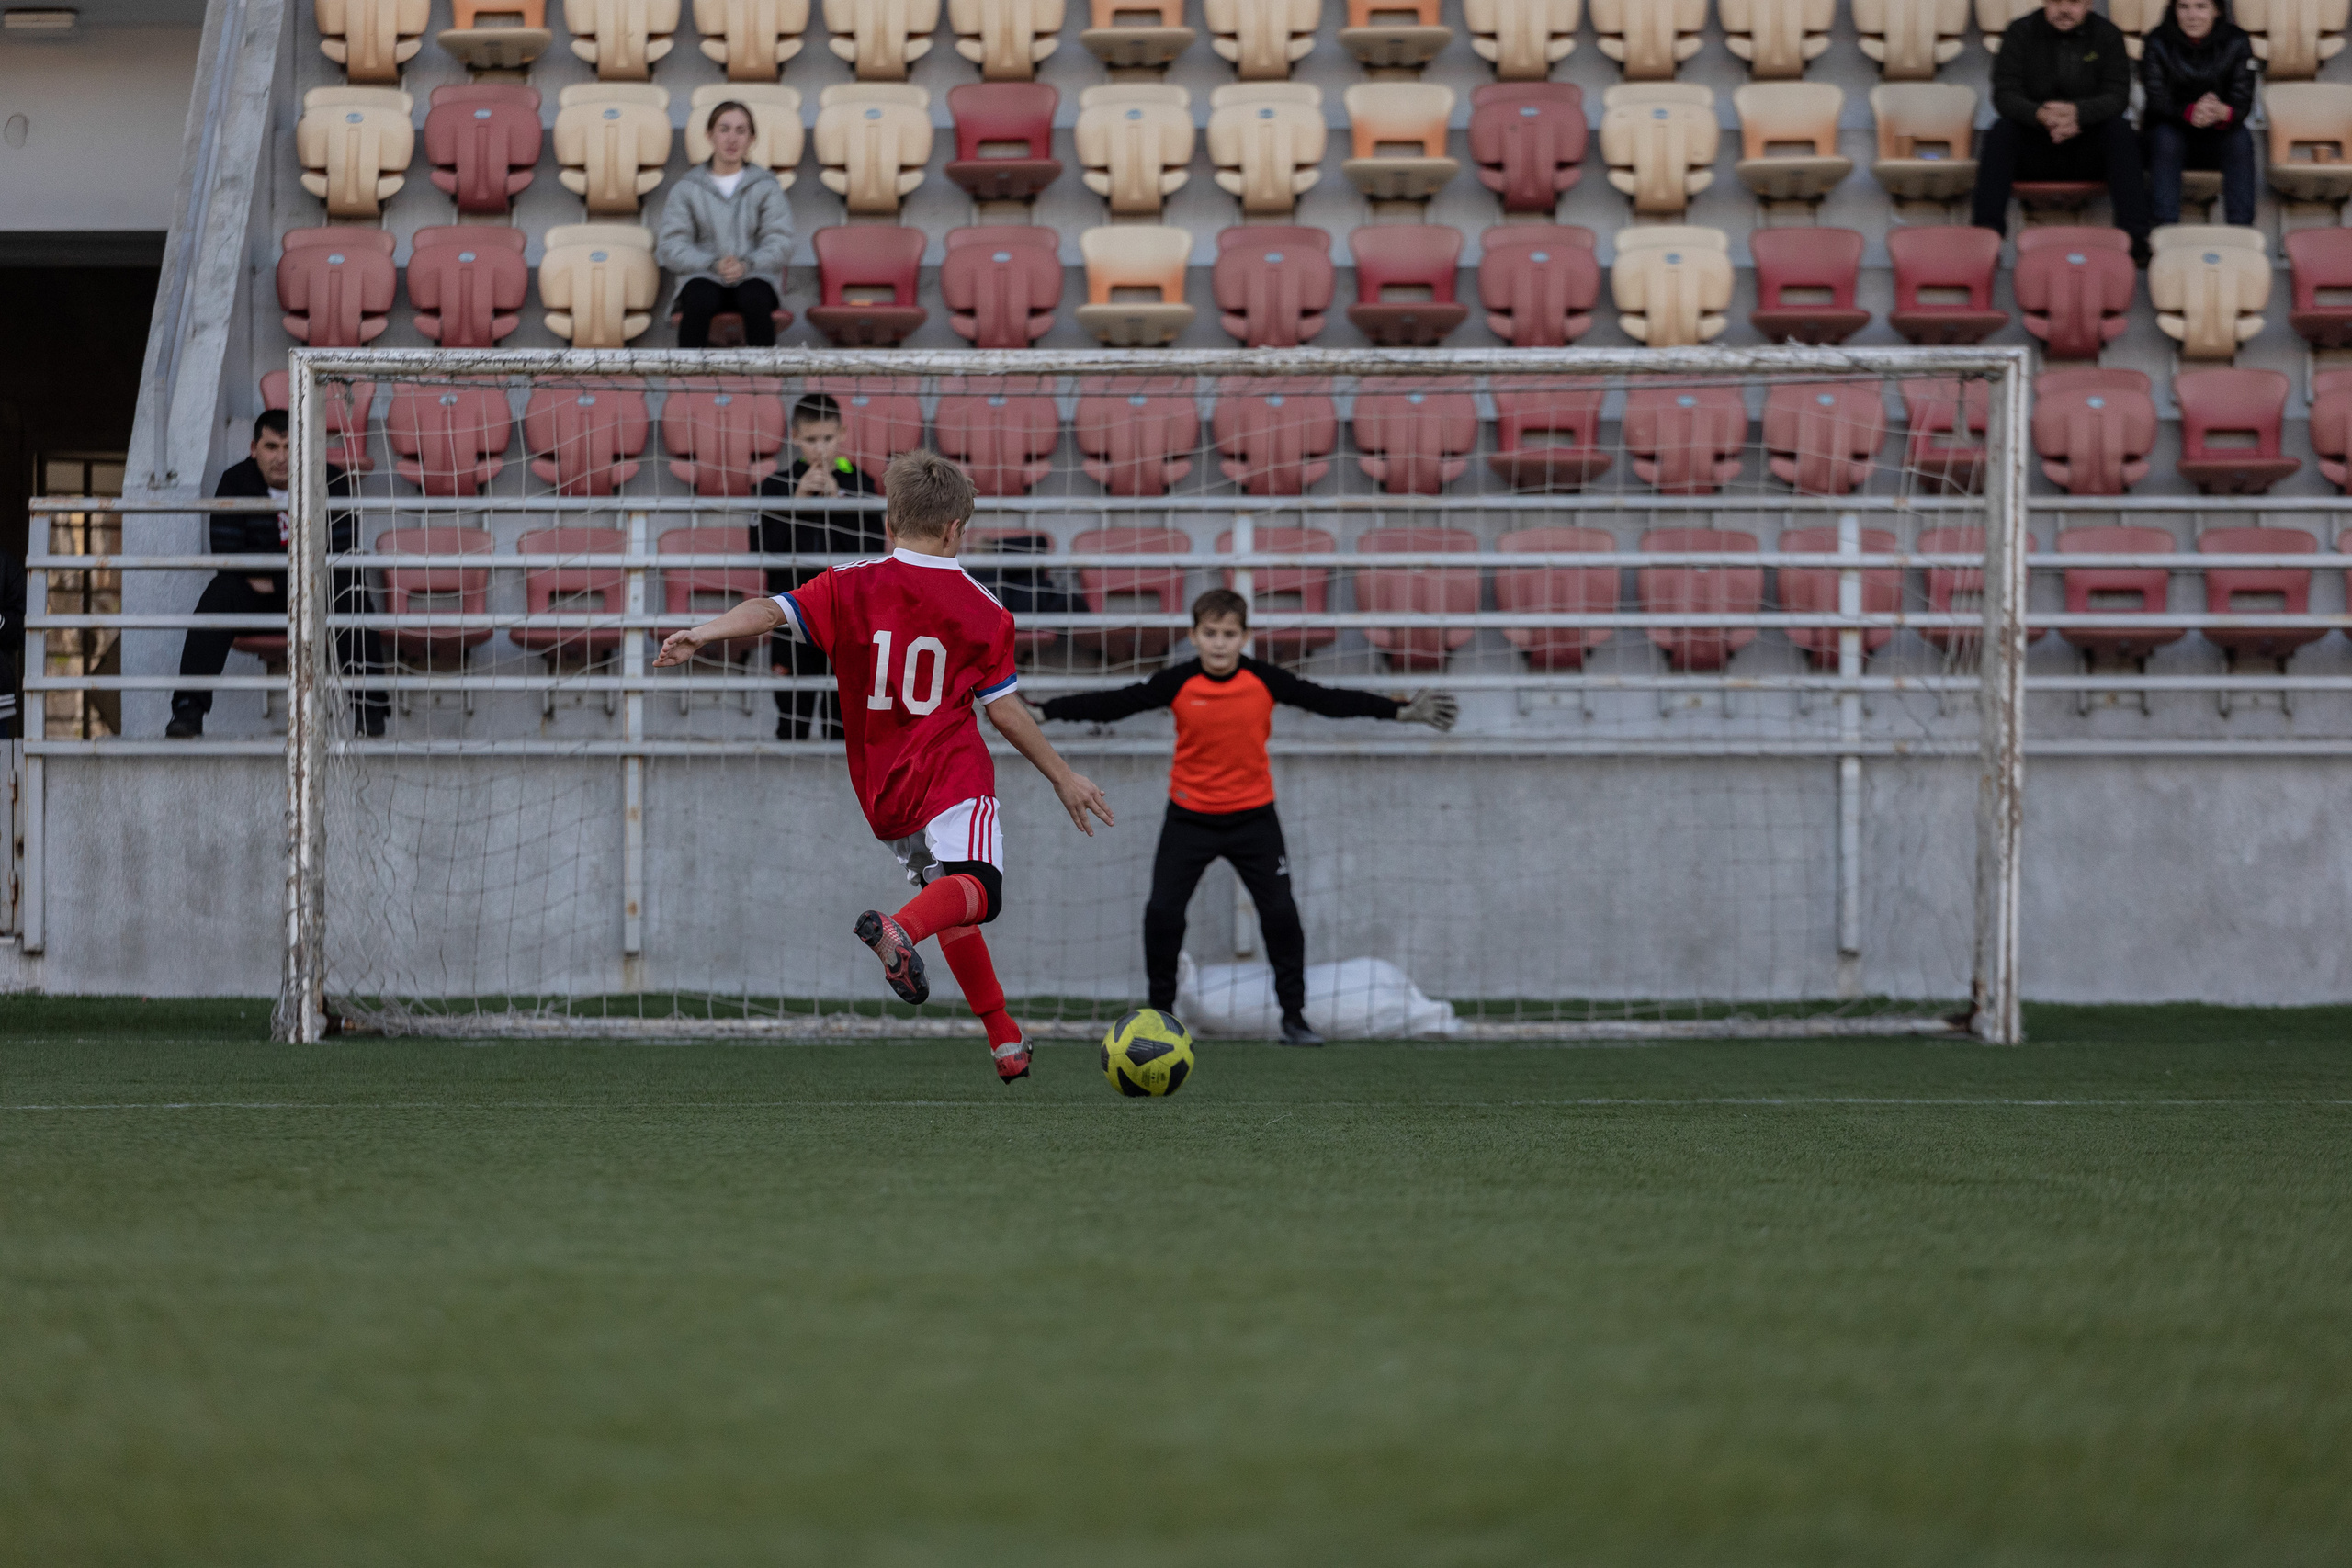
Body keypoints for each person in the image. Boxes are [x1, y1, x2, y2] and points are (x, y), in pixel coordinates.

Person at [654, 449, 1114, 1085]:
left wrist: (702, 633)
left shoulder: (848, 582)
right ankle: (900, 929)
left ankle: (1004, 1038)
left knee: (946, 897)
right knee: (982, 892)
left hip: (882, 790)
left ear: (889, 523)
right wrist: (1064, 775)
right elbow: (1004, 712)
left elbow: (766, 610)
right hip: (951, 777)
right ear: (957, 528)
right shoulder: (985, 609)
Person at [1034, 590, 1459, 1047]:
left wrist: (1398, 710)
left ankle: (1294, 1019)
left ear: (1245, 637)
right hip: (1189, 819)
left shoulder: (1264, 680)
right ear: (1194, 636)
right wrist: (1043, 710)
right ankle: (1161, 1017)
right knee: (1162, 914)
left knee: (1281, 915)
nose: (1219, 643)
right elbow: (1116, 702)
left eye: (1229, 634)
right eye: (1210, 634)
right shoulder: (1176, 682)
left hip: (1254, 819)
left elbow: (1328, 700)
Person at [167, 412, 386, 739]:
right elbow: (228, 553)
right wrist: (288, 574)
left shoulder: (330, 479)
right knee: (220, 592)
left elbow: (342, 552)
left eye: (289, 447)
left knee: (350, 589)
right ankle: (188, 710)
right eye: (271, 447)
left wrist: (274, 580)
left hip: (314, 597)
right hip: (259, 602)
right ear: (255, 448)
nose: (281, 458)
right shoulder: (235, 481)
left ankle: (370, 713)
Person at [1974, 0, 2153, 263]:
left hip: (2087, 149)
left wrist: (2077, 114)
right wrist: (2041, 116)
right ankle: (1984, 240)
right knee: (2001, 132)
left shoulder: (2107, 34)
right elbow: (2005, 95)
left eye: (2074, 2)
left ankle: (2135, 240)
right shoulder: (2020, 32)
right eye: (2057, 1)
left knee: (2120, 132)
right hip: (2035, 147)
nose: (2065, 9)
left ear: (2089, 4)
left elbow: (2117, 96)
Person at [756, 394, 883, 740]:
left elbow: (873, 551)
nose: (820, 449)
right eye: (811, 440)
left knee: (842, 719)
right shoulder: (775, 485)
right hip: (790, 613)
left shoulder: (860, 483)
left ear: (842, 434)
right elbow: (761, 549)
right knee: (791, 714)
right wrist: (795, 504)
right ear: (795, 437)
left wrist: (838, 501)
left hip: (846, 614)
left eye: (827, 439)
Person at [655, 100, 795, 348]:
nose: (732, 139)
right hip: (702, 276)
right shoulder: (687, 188)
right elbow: (672, 246)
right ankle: (689, 382)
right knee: (700, 298)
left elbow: (781, 241)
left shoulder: (766, 186)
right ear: (710, 135)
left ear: (752, 138)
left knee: (755, 297)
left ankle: (762, 384)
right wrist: (712, 264)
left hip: (754, 275)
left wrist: (747, 264)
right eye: (724, 129)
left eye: (741, 131)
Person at [2140, 0, 2257, 228]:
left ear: (2218, 10)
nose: (2192, 15)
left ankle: (2241, 232)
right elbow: (2156, 99)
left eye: (2201, 6)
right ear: (2173, 10)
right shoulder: (2157, 40)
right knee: (2166, 138)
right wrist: (2189, 111)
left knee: (2240, 138)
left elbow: (2242, 101)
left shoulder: (2237, 40)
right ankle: (2164, 232)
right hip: (2169, 132)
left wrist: (2222, 111)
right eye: (2183, 7)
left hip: (2217, 134)